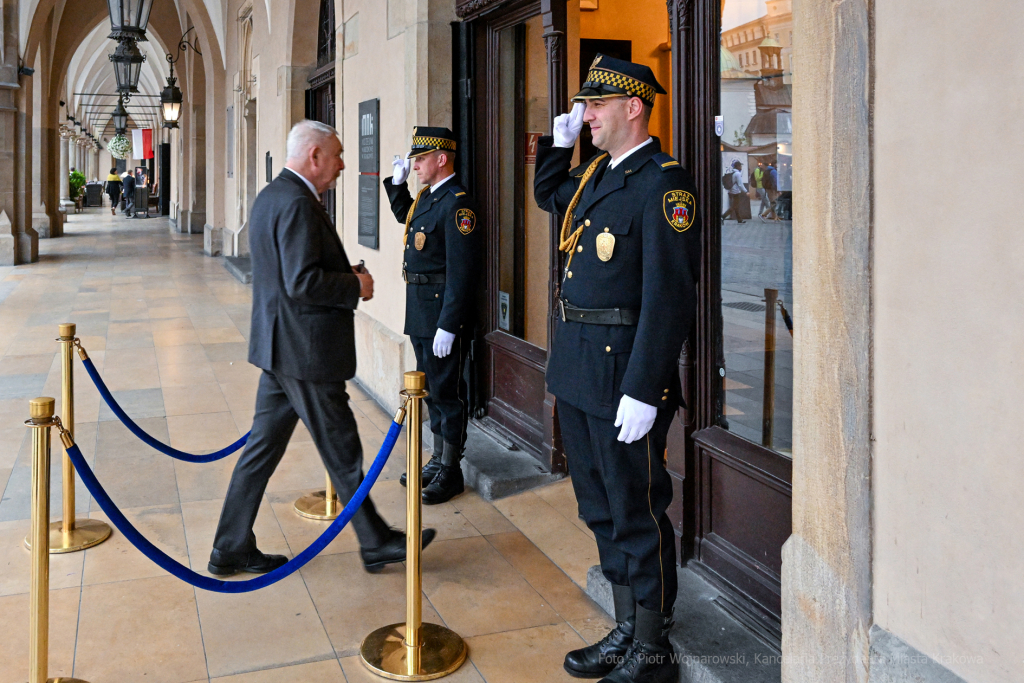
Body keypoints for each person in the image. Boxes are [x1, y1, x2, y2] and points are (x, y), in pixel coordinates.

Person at [533, 55, 699, 683]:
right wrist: (560, 142)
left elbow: (669, 297)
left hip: (623, 376)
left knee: (637, 509)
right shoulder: (595, 173)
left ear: (634, 107)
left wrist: (645, 387)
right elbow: (549, 194)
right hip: (577, 370)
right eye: (583, 106)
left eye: (596, 105)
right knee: (599, 507)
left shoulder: (664, 184)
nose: (586, 115)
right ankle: (629, 626)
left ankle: (654, 647)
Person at [208, 120, 436, 576]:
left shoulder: (274, 195)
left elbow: (293, 270)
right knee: (342, 448)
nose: (342, 165)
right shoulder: (297, 203)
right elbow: (302, 282)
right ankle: (375, 542)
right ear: (314, 156)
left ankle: (230, 546)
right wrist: (354, 284)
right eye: (337, 155)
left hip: (279, 348)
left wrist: (342, 270)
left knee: (260, 452)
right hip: (305, 352)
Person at [383, 128, 483, 505]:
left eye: (421, 159)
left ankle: (451, 469)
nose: (415, 165)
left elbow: (463, 272)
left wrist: (449, 324)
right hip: (421, 311)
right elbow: (403, 218)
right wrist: (397, 186)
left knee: (448, 392)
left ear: (442, 159)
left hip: (441, 314)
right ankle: (439, 458)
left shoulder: (458, 205)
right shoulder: (428, 198)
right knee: (432, 392)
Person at [721, 159, 745, 223]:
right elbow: (740, 184)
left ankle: (739, 219)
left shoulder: (732, 172)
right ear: (737, 166)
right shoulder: (737, 174)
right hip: (735, 192)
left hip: (730, 191)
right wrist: (745, 191)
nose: (741, 167)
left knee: (736, 206)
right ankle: (723, 216)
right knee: (734, 206)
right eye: (740, 166)